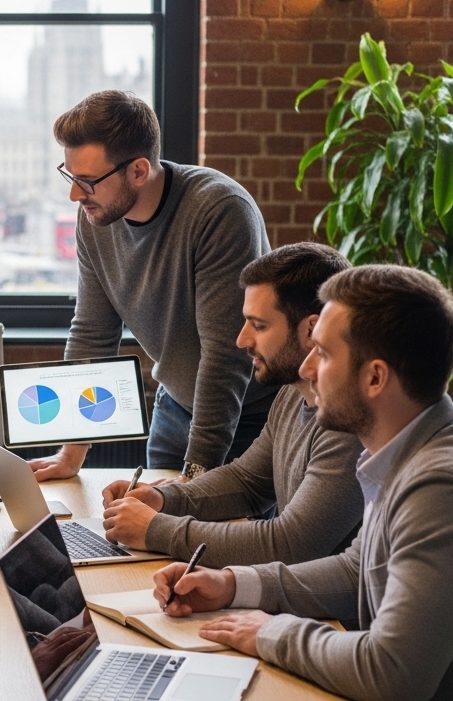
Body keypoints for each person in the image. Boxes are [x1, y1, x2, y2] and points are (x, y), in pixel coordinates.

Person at [152, 265, 453, 700]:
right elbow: (357, 570)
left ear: (375, 377)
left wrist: (271, 630)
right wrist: (233, 584)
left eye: (324, 353)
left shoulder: (447, 487)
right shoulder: (418, 447)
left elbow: (390, 675)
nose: (307, 369)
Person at [28, 90, 274, 482]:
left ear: (139, 171)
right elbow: (93, 333)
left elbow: (224, 357)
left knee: (218, 537)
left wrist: (194, 480)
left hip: (248, 415)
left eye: (88, 181)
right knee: (149, 537)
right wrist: (71, 453)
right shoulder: (96, 218)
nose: (75, 194)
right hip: (174, 407)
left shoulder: (219, 211)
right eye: (71, 176)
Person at [98, 243, 364, 568]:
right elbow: (248, 482)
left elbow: (292, 544)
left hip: (324, 616)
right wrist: (165, 498)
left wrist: (156, 529)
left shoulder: (349, 422)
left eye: (260, 325)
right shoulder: (293, 394)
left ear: (312, 329)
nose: (242, 340)